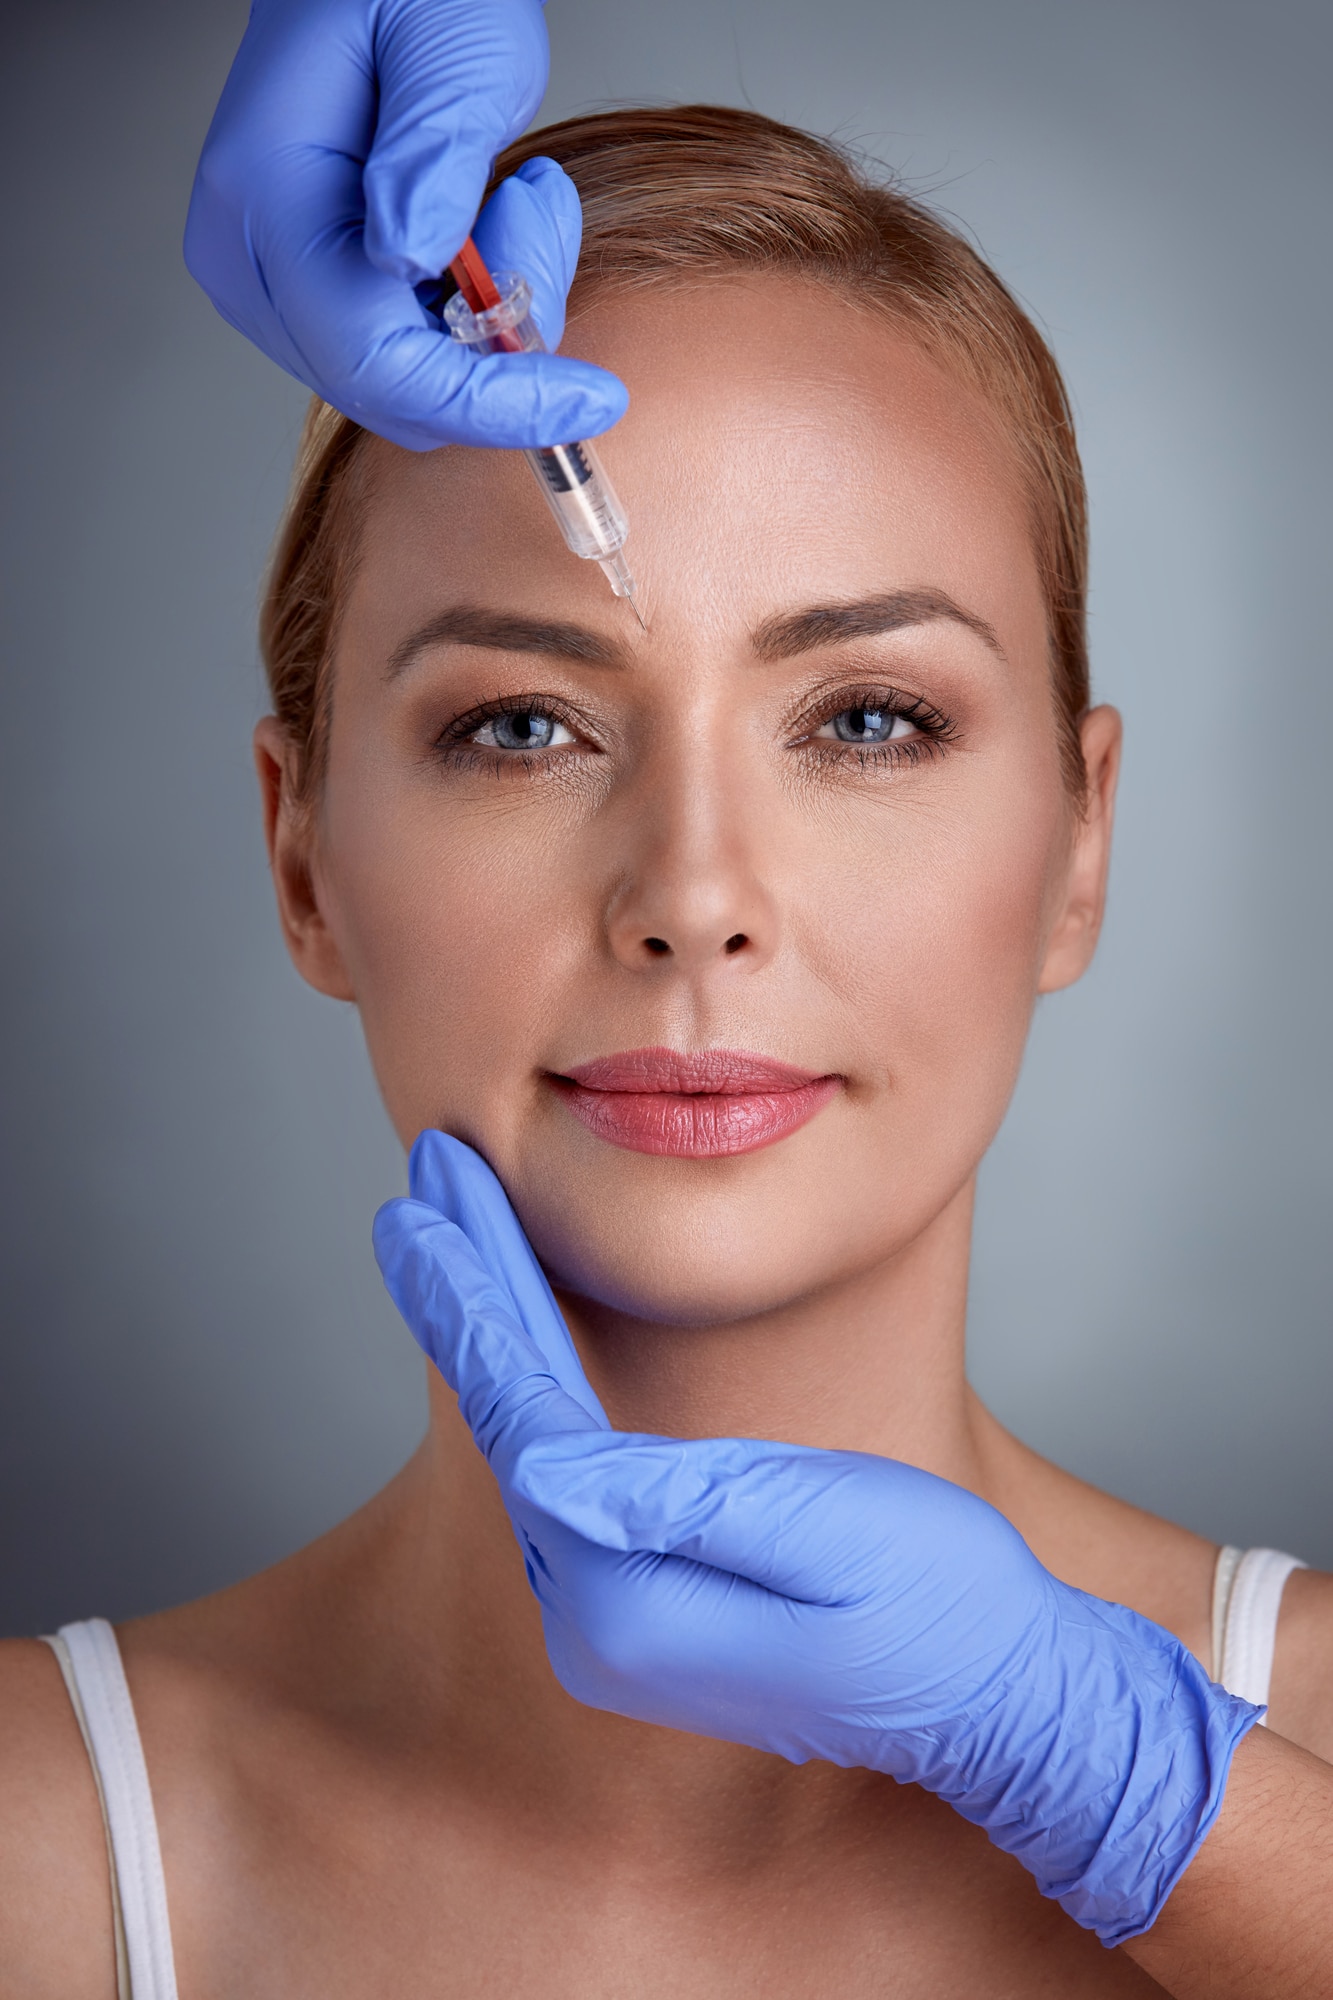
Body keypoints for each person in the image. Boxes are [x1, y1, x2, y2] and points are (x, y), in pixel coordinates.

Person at [1, 94, 1331, 2000]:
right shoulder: (41, 1847)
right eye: (523, 727)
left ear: (1078, 846)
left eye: (867, 720)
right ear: (301, 859)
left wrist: (1166, 1812)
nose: (693, 895)